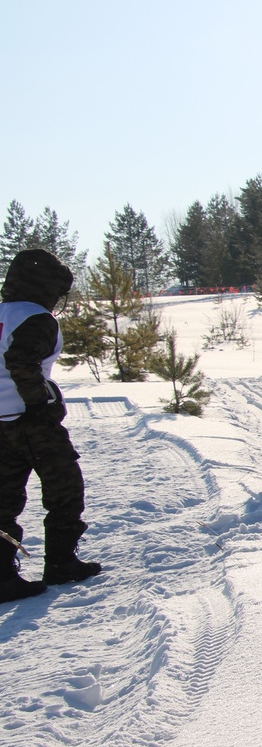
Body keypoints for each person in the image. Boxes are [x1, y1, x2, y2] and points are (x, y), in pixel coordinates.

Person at [0, 248, 102, 603]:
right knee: (65, 489)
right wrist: (40, 402)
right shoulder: (37, 318)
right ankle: (61, 563)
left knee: (2, 499)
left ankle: (1, 576)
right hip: (31, 422)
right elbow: (21, 360)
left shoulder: (3, 314)